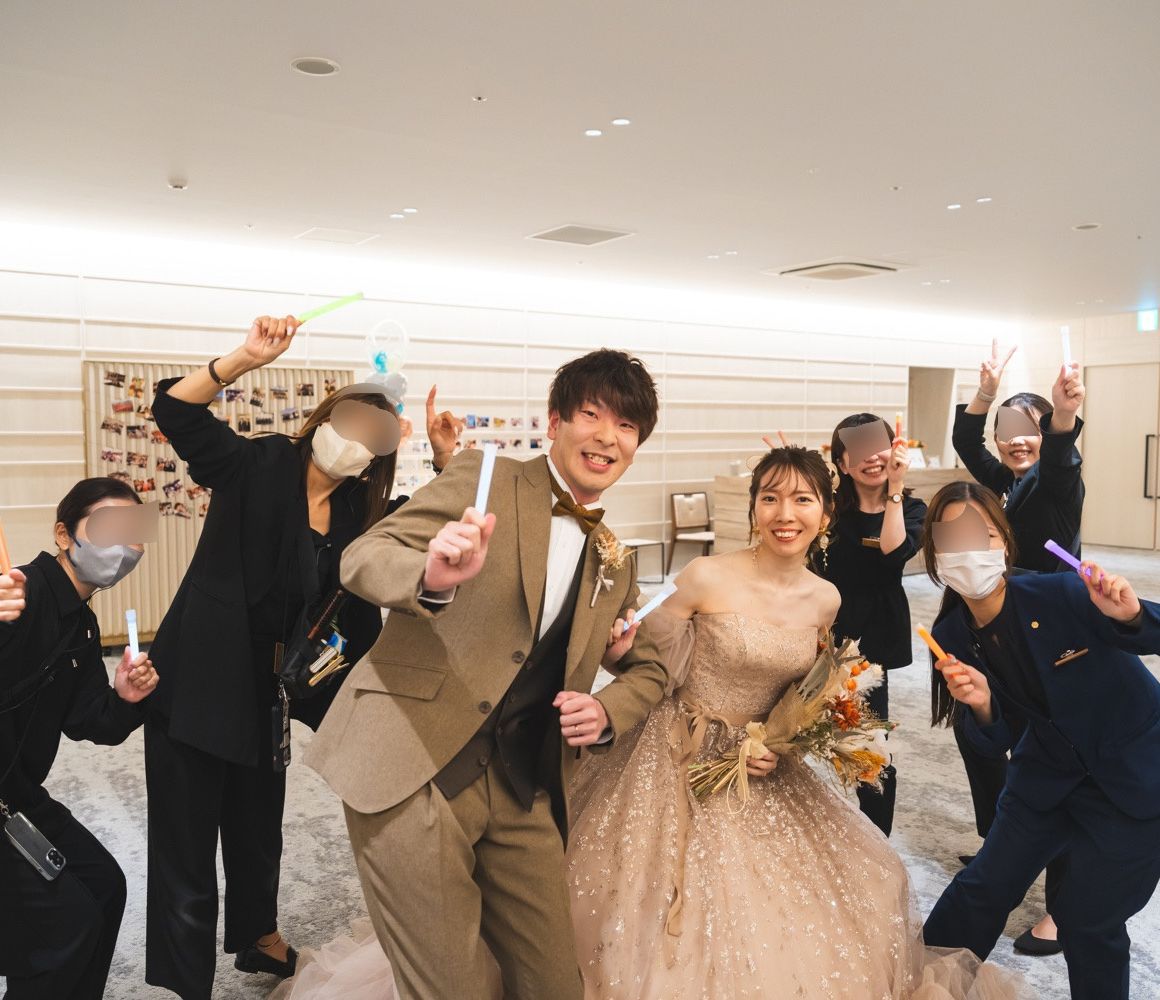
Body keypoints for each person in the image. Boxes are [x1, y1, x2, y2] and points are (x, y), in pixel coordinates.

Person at [565, 446, 1015, 999]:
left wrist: (785, 746)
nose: (785, 514)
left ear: (825, 513)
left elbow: (805, 697)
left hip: (761, 766)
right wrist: (617, 651)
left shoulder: (826, 599)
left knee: (862, 884)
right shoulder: (705, 576)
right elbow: (647, 666)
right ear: (753, 507)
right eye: (770, 498)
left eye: (802, 500)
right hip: (674, 752)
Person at [297, 349, 669, 1000]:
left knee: (556, 985)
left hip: (525, 788)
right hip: (412, 763)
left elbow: (650, 665)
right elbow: (363, 557)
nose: (608, 437)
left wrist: (610, 706)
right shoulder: (482, 479)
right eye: (591, 415)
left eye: (627, 426)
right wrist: (429, 576)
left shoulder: (614, 558)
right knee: (451, 986)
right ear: (554, 422)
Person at [142, 314, 462, 1000]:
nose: (358, 439)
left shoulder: (362, 513)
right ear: (323, 419)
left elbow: (433, 521)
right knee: (186, 842)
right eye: (351, 422)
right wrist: (244, 359)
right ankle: (185, 978)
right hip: (198, 679)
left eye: (376, 435)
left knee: (258, 825)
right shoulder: (258, 465)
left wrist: (444, 458)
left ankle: (258, 937)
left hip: (273, 690)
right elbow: (175, 411)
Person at [921, 480, 1160, 1000]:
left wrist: (1131, 615)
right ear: (935, 557)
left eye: (981, 536)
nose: (969, 551)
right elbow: (991, 743)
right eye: (952, 540)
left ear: (1005, 543)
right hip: (1044, 777)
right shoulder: (952, 638)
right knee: (982, 889)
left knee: (1089, 918)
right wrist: (983, 705)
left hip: (1136, 773)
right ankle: (920, 988)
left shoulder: (1063, 593)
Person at [950, 340, 1086, 953]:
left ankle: (1064, 909)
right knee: (983, 735)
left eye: (1030, 430)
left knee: (1060, 763)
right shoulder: (1004, 483)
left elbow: (1059, 459)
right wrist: (985, 393)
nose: (1017, 441)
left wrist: (1062, 415)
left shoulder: (1058, 482)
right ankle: (1002, 841)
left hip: (1056, 640)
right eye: (1008, 432)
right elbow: (965, 440)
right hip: (1003, 637)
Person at [0, 478, 159, 999]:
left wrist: (125, 699)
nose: (124, 546)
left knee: (105, 887)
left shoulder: (83, 627)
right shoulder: (20, 592)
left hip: (19, 797)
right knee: (63, 925)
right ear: (64, 535)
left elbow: (89, 723)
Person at [816, 412, 926, 835]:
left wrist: (894, 490)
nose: (871, 457)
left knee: (869, 744)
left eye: (877, 445)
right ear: (842, 463)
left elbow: (894, 553)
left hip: (874, 638)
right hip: (823, 629)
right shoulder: (827, 509)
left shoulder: (911, 507)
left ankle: (875, 839)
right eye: (858, 449)